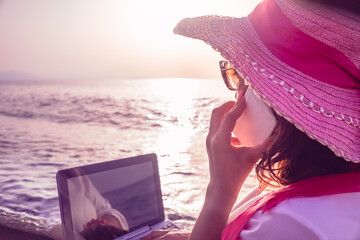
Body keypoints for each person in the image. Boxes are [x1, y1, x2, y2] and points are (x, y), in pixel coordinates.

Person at [142, 0, 360, 239]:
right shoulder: (328, 185)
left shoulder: (290, 221)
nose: (236, 95)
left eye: (239, 74)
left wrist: (219, 192)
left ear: (281, 105)